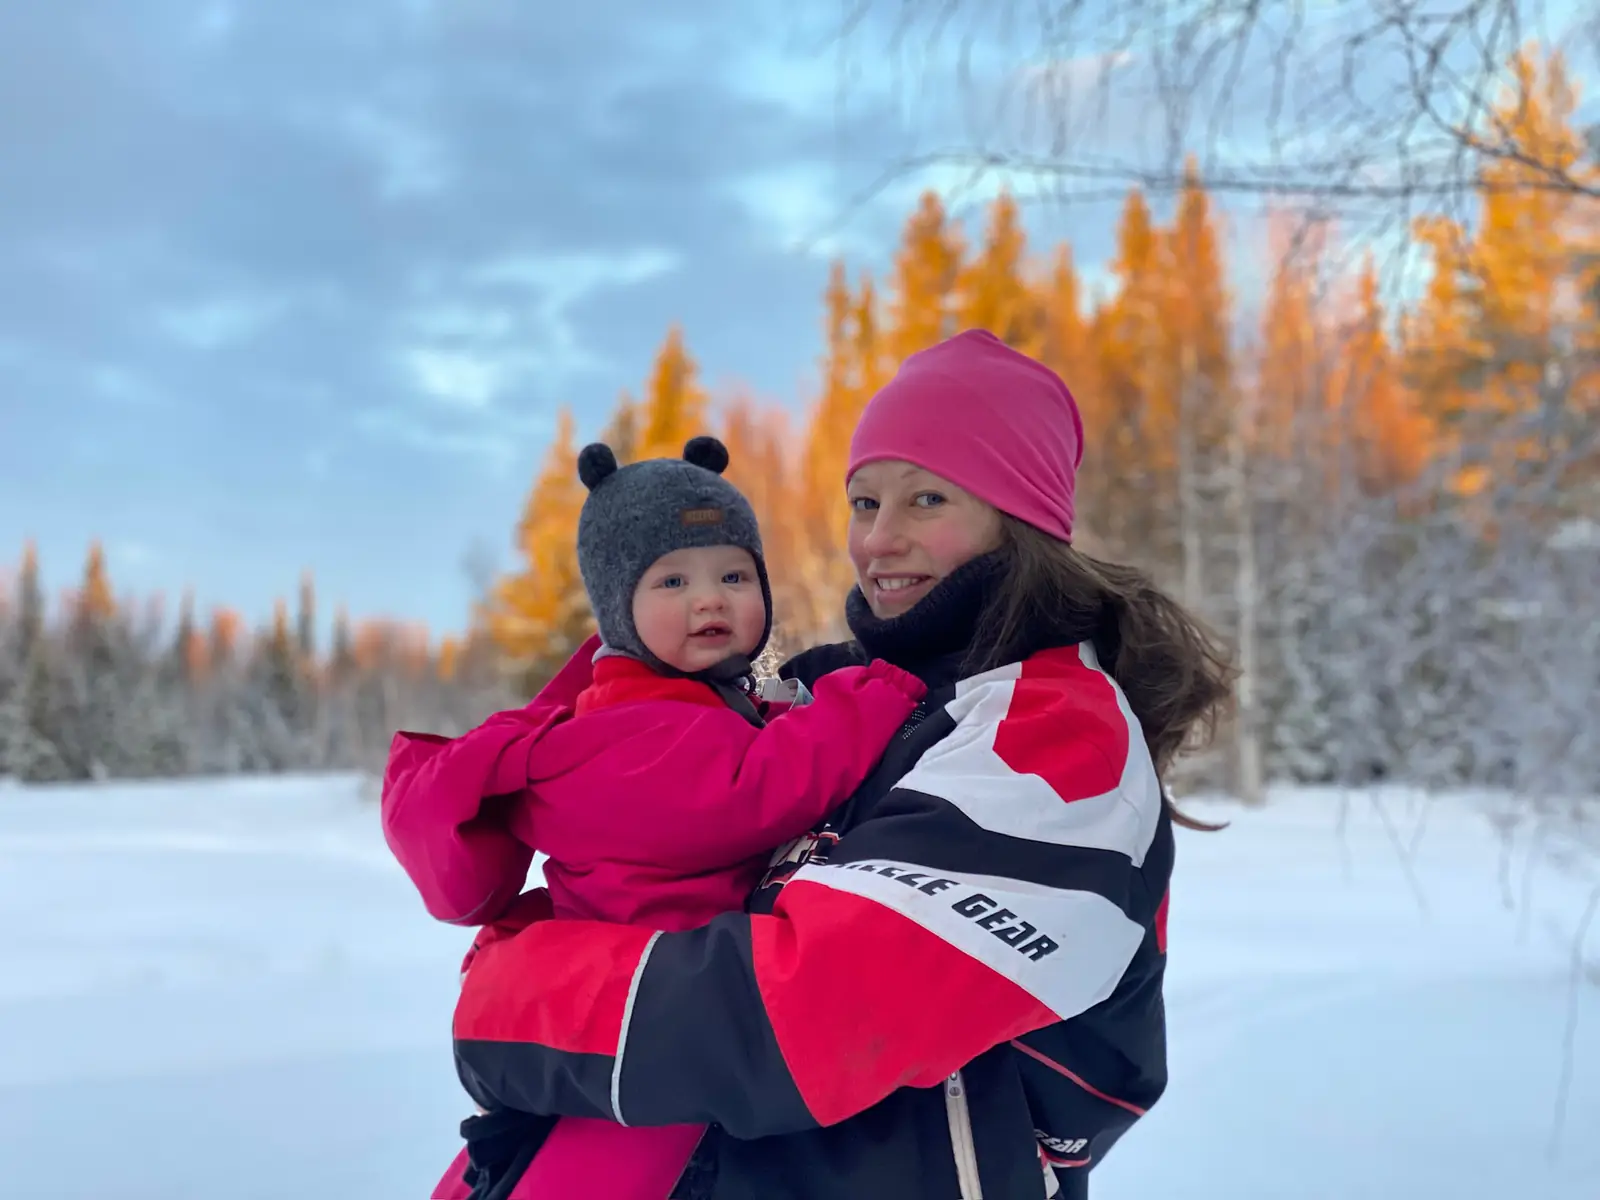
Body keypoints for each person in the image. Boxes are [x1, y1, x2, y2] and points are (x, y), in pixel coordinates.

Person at [442, 329, 1236, 1199]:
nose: (878, 541)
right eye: (864, 503)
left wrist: (515, 1001)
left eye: (927, 499)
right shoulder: (857, 699)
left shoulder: (1054, 737)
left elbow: (808, 1015)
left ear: (1020, 522)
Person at [380, 436, 927, 1199]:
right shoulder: (621, 725)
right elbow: (748, 794)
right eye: (671, 580)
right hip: (637, 1022)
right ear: (618, 610)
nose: (711, 599)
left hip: (672, 1004)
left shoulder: (692, 704)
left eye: (735, 575)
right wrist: (870, 696)